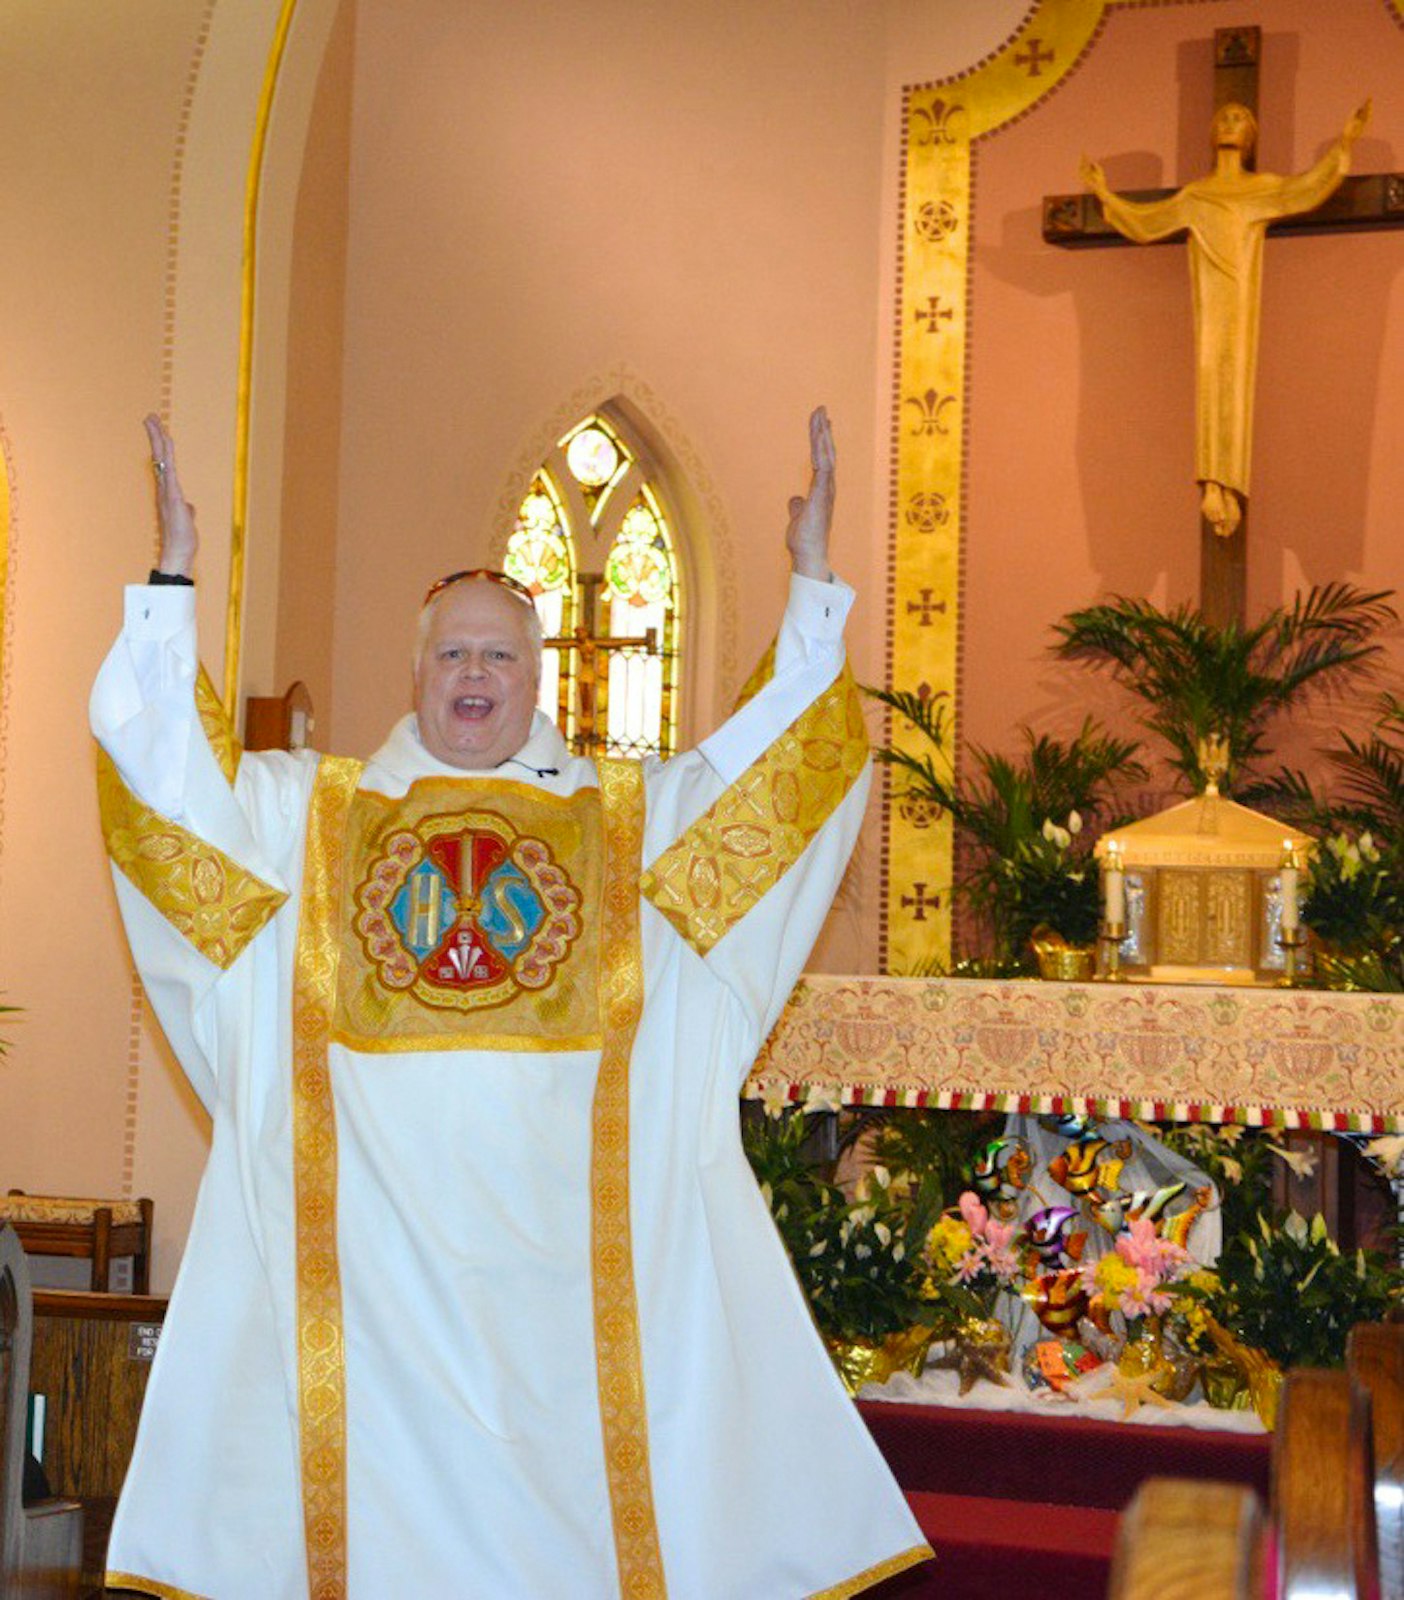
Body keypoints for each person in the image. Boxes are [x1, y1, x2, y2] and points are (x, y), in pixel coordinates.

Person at [91, 411, 932, 1598]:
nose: (474, 675)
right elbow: (169, 794)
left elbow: (777, 781)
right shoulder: (308, 819)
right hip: (370, 1295)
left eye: (498, 656)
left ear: (539, 679)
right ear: (416, 672)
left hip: (567, 1303)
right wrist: (170, 578)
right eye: (452, 656)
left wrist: (809, 589)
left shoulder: (628, 825)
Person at [1081, 98, 1370, 537]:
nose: (1230, 122)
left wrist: (1344, 144)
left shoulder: (1263, 189)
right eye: (1224, 117)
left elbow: (1308, 187)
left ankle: (1229, 484)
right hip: (1209, 306)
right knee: (1208, 383)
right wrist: (1104, 195)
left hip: (1241, 303)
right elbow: (1146, 221)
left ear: (1250, 137)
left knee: (1233, 387)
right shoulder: (1195, 197)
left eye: (1239, 119)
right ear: (1213, 132)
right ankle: (1211, 482)